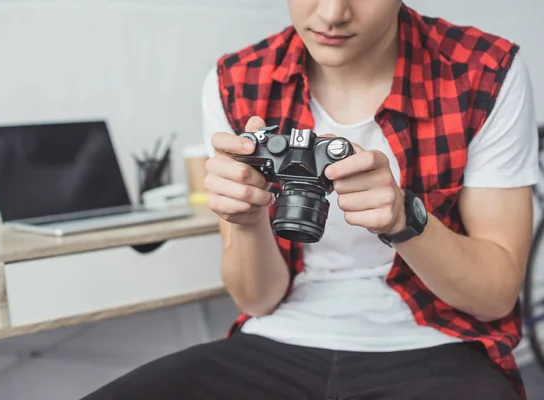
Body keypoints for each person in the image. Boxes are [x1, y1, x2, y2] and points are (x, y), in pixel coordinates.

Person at [82, 1, 538, 399]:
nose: (332, 14)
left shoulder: (483, 70)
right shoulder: (238, 80)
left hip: (436, 344)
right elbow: (257, 300)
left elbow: (494, 297)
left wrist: (403, 220)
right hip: (279, 336)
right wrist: (245, 219)